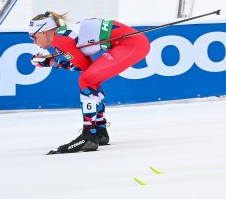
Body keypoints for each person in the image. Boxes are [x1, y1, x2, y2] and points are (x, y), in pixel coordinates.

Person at [28, 11, 151, 154]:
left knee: (86, 80)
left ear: (43, 32)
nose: (34, 42)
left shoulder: (59, 40)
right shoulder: (62, 35)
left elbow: (82, 67)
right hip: (133, 43)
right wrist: (51, 61)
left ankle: (89, 135)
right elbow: (86, 66)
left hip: (130, 44)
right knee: (91, 79)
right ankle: (99, 130)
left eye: (33, 37)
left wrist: (51, 62)